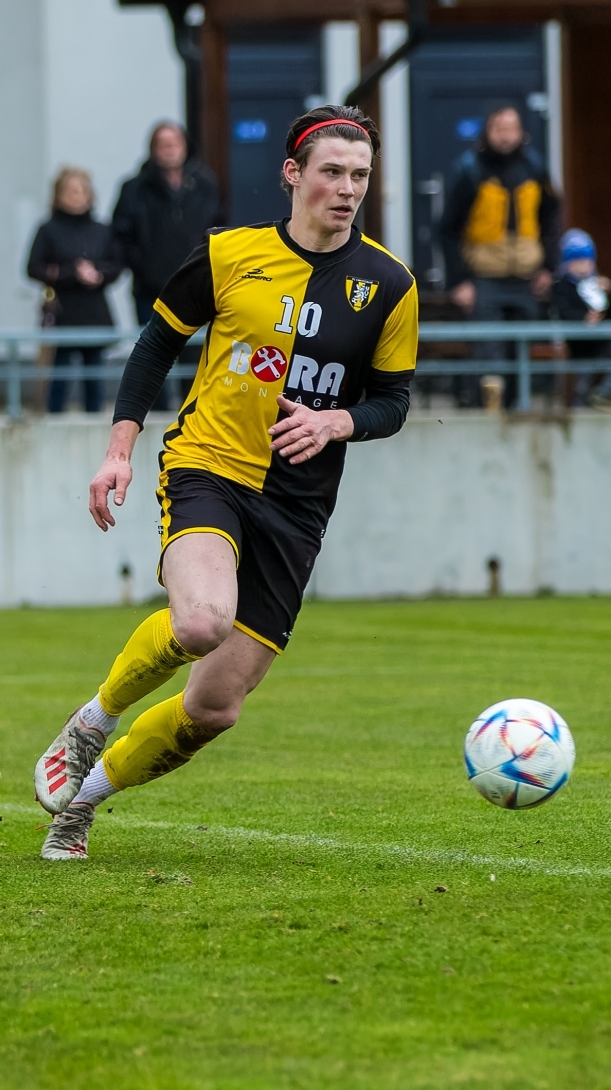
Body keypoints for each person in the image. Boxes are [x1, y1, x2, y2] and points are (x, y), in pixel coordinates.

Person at [29, 105, 419, 859]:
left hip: (297, 508)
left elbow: (394, 401)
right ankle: (92, 720)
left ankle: (82, 804)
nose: (347, 189)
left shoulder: (389, 284)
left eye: (360, 175)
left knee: (214, 707)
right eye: (332, 172)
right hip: (209, 466)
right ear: (293, 174)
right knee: (202, 621)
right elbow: (155, 344)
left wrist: (339, 423)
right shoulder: (228, 253)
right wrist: (119, 450)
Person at [442, 104, 560, 408]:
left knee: (523, 352)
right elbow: (447, 229)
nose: (506, 136)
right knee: (487, 353)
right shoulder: (470, 170)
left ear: (522, 132)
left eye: (511, 129)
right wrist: (459, 281)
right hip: (484, 278)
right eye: (499, 129)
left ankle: (520, 411)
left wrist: (548, 268)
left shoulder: (536, 169)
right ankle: (484, 413)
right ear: (488, 132)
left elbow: (551, 220)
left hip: (527, 278)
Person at [111, 122, 224, 409]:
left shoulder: (205, 185)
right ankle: (152, 414)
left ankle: (191, 413)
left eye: (174, 143)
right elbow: (121, 236)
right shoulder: (134, 188)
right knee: (153, 353)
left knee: (195, 357)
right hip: (150, 289)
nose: (169, 149)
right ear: (153, 149)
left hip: (197, 287)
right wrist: (142, 266)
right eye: (163, 144)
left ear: (185, 146)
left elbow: (221, 228)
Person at [27, 167, 122, 414]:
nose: (77, 196)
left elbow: (116, 265)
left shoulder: (101, 230)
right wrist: (70, 273)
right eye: (70, 191)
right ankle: (53, 419)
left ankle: (95, 420)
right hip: (63, 311)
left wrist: (97, 275)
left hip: (94, 311)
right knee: (59, 375)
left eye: (81, 191)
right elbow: (33, 268)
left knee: (94, 377)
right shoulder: (48, 229)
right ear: (58, 195)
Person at [546, 229, 611, 410]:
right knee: (582, 389)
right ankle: (581, 412)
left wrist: (609, 292)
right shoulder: (561, 287)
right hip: (579, 347)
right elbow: (564, 313)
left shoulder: (596, 283)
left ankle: (605, 394)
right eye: (577, 260)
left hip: (603, 342)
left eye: (587, 260)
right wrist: (583, 319)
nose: (583, 265)